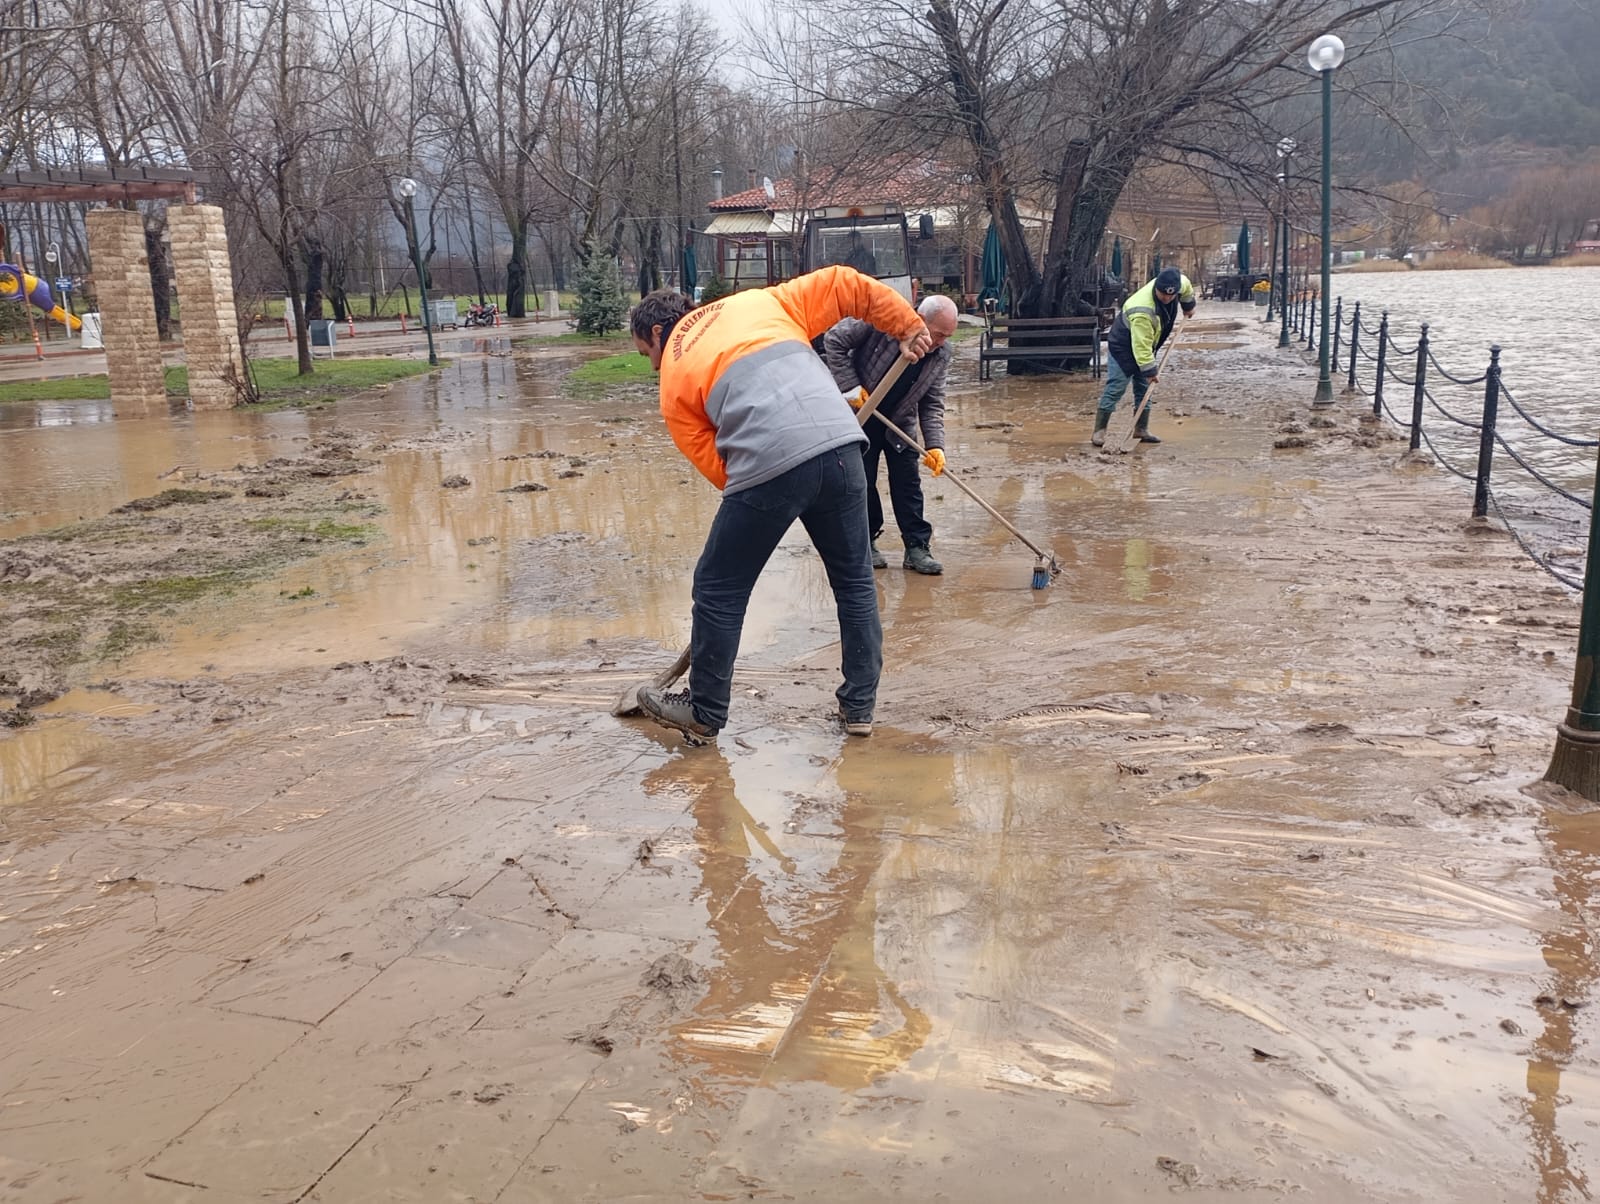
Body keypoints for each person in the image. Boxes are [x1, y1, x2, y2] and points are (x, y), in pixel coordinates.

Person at [629, 267, 932, 742]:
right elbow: (844, 284)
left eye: (645, 354)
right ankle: (859, 709)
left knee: (718, 588)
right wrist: (907, 324)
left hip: (768, 465)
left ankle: (704, 711)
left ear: (655, 333)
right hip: (842, 446)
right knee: (854, 582)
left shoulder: (672, 379)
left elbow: (720, 469)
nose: (652, 365)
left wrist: (771, 503)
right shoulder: (761, 302)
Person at [823, 295, 958, 575]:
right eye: (939, 334)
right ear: (920, 318)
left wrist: (935, 446)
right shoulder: (882, 320)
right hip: (861, 415)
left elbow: (932, 403)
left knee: (908, 486)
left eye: (948, 336)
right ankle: (867, 542)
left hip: (899, 423)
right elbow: (834, 340)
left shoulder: (940, 354)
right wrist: (850, 386)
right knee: (863, 482)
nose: (941, 342)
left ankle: (917, 547)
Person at [1092, 265, 1196, 447]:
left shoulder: (1179, 282)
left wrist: (1188, 306)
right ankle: (1099, 431)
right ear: (1156, 287)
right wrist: (1150, 370)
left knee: (1144, 388)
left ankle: (1141, 429)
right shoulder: (1143, 310)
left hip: (1146, 344)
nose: (1167, 298)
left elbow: (1186, 288)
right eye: (1163, 294)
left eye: (1172, 295)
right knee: (1117, 386)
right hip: (1123, 346)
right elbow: (1141, 346)